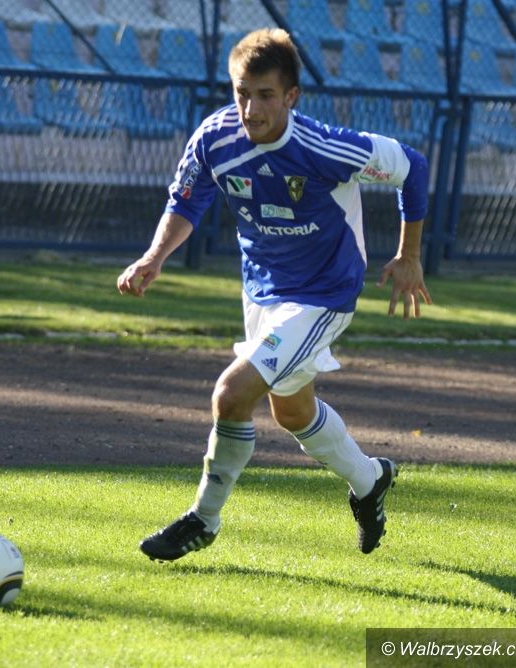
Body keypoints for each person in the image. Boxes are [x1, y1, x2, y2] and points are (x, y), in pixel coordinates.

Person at [117, 28, 432, 560]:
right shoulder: (215, 138)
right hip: (263, 290)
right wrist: (154, 256)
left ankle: (204, 519)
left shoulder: (322, 148)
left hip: (323, 294)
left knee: (231, 394)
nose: (250, 108)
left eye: (265, 95)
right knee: (292, 412)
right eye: (242, 93)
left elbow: (412, 166)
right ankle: (370, 479)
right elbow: (187, 200)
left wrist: (409, 255)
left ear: (291, 96)